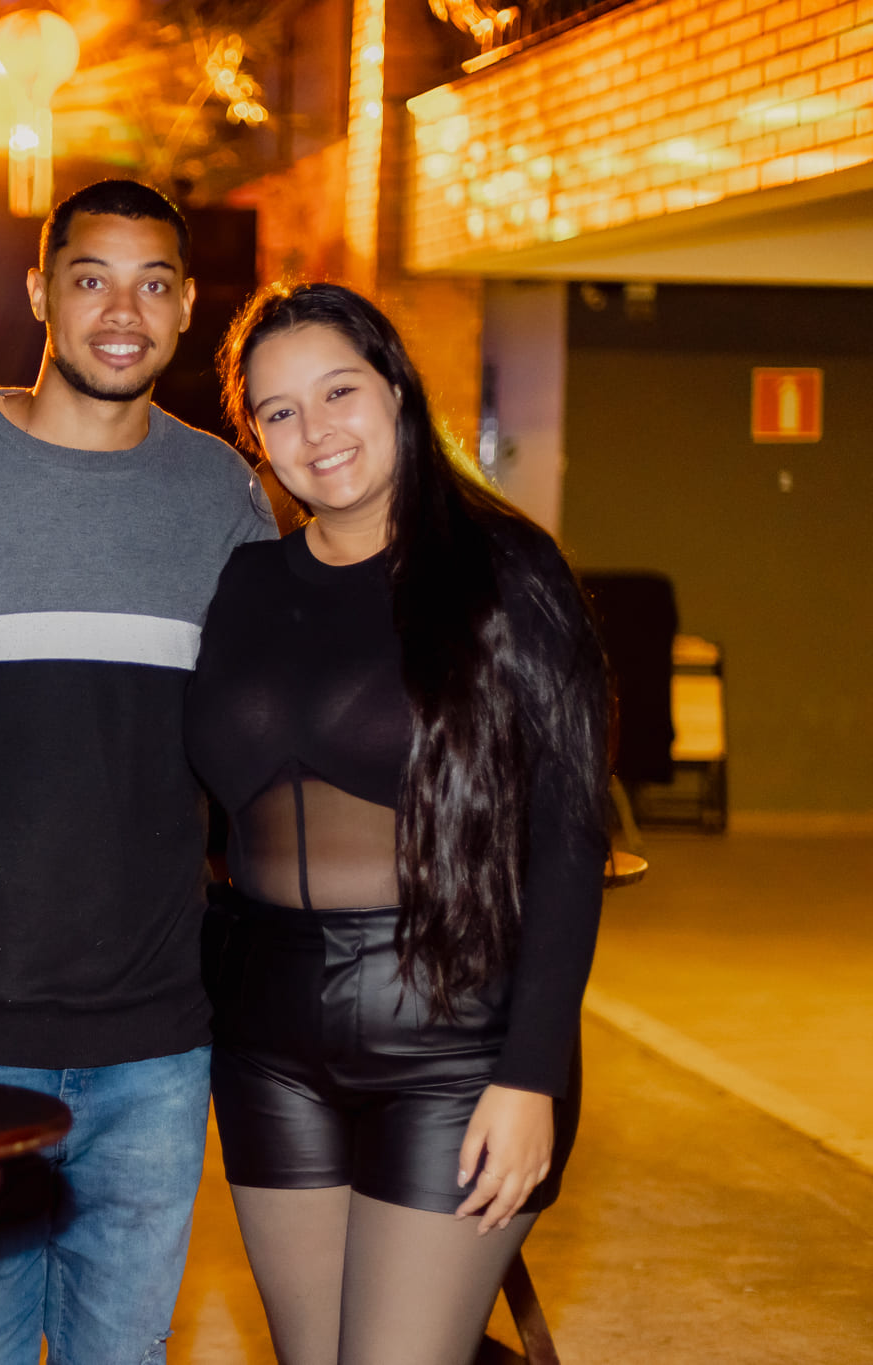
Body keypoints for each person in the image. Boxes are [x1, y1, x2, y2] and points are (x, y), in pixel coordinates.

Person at [0, 179, 274, 1364]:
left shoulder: (224, 498)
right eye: (90, 280)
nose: (120, 312)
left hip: (159, 1039)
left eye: (151, 284)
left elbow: (257, 746)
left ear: (185, 307)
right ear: (39, 293)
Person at [187, 281, 608, 1364]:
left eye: (338, 392)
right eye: (278, 411)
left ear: (396, 390)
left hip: (453, 1033)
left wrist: (530, 1071)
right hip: (264, 1038)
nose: (314, 430)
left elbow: (568, 839)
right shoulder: (241, 584)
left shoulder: (506, 571)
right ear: (255, 437)